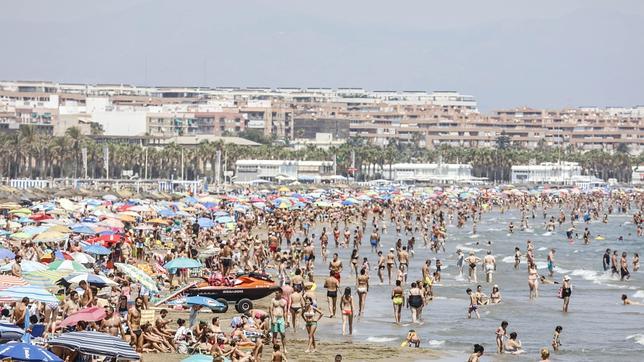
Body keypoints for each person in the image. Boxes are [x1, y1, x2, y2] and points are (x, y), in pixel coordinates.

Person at [269, 289, 287, 353]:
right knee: (275, 334)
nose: (275, 294)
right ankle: (275, 348)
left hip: (281, 318)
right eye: (275, 293)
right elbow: (270, 310)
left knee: (283, 334)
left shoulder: (284, 301)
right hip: (275, 317)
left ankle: (284, 348)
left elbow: (285, 312)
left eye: (277, 293)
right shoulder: (273, 300)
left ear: (280, 293)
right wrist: (272, 319)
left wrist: (286, 321)